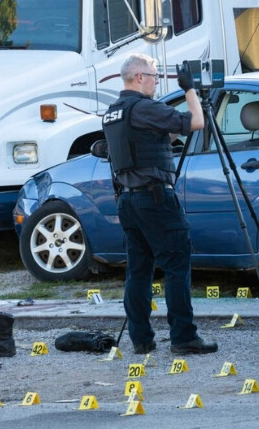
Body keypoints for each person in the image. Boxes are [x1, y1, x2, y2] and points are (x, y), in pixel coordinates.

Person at [102, 53, 217, 355]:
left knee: (138, 271)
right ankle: (184, 337)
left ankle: (141, 340)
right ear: (139, 77)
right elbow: (196, 122)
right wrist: (189, 89)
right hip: (154, 197)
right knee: (177, 264)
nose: (156, 81)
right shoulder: (144, 108)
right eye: (154, 76)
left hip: (128, 200)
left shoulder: (114, 112)